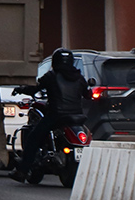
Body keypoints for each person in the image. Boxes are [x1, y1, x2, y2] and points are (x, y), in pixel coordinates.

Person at [10, 48, 89, 182]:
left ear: (55, 61)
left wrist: (21, 89)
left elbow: (35, 88)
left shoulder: (52, 76)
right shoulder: (79, 77)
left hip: (56, 115)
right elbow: (87, 94)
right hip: (76, 115)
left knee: (33, 138)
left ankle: (22, 171)